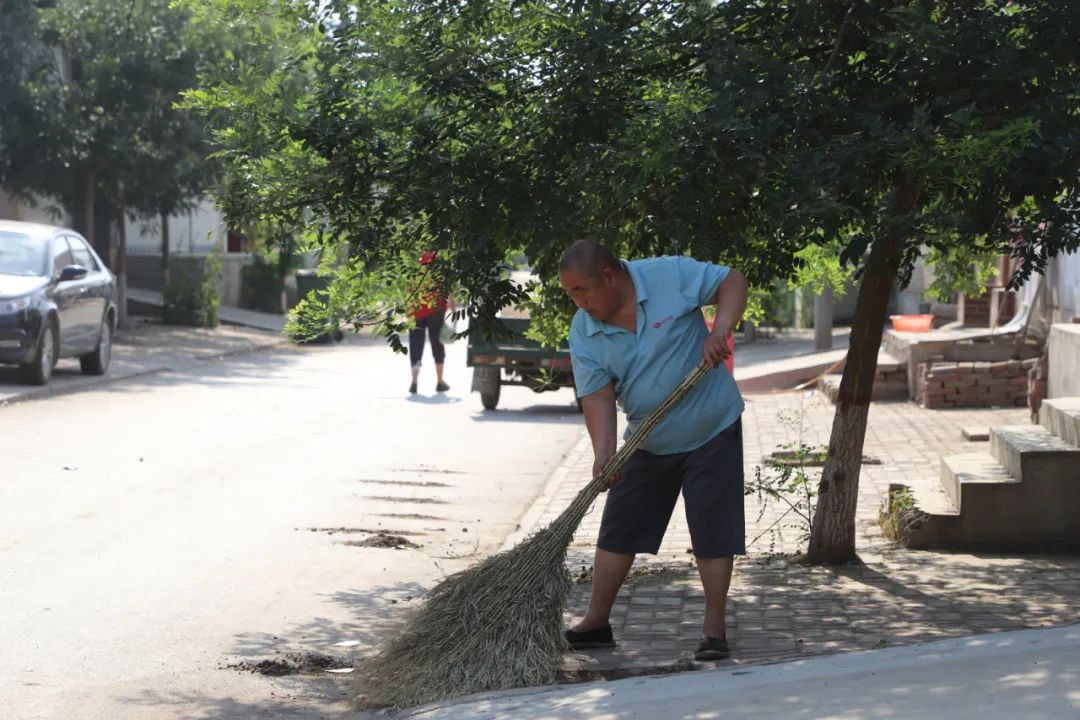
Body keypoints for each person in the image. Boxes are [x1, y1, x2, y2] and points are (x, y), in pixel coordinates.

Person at [557, 239, 748, 661]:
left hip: (711, 426)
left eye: (581, 291)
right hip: (647, 438)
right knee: (619, 527)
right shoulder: (584, 329)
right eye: (571, 294)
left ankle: (713, 628)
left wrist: (720, 329)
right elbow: (598, 396)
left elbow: (732, 280)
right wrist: (604, 453)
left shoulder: (667, 275)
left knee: (712, 530)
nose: (578, 302)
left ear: (609, 277)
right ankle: (596, 621)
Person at [408, 251, 451, 394]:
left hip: (416, 312)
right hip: (435, 311)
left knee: (416, 344)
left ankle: (414, 381)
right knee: (437, 344)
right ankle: (440, 381)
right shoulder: (439, 270)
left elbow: (408, 291)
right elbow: (447, 291)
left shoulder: (414, 270)